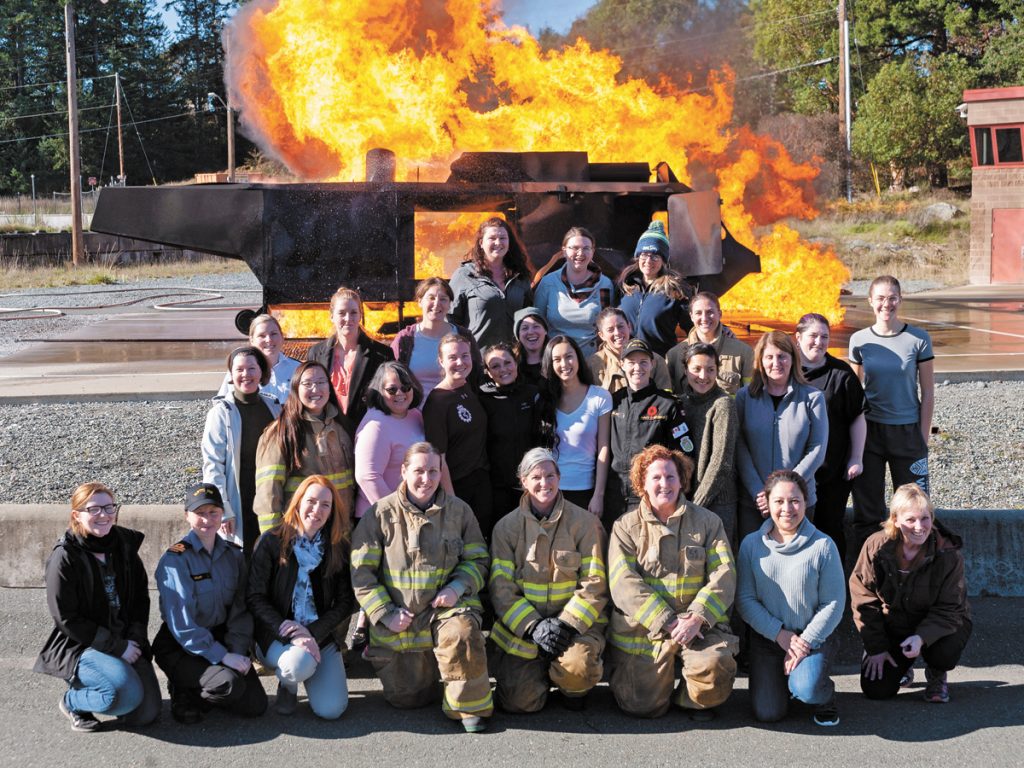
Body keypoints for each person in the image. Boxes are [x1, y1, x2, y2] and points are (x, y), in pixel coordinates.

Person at [351, 442, 492, 733]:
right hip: (400, 622)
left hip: (447, 611)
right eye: (418, 471)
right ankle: (435, 678)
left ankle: (470, 707)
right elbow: (362, 575)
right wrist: (386, 613)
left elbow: (479, 560)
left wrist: (457, 588)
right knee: (408, 698)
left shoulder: (460, 511)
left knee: (462, 632)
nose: (426, 479)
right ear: (403, 471)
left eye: (433, 471)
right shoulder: (378, 514)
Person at [607, 444, 737, 719]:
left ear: (682, 481)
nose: (664, 484)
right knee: (640, 704)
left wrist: (696, 618)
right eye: (655, 477)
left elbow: (724, 574)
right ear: (642, 483)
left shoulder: (708, 522)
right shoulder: (625, 527)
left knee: (715, 670)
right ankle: (661, 686)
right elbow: (623, 583)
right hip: (647, 629)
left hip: (697, 629)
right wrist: (667, 620)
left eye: (670, 477)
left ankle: (690, 698)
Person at [489, 448, 608, 712]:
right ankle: (539, 677)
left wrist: (566, 626)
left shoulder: (585, 523)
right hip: (526, 631)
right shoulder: (506, 528)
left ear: (559, 477)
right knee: (519, 704)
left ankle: (571, 690)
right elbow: (501, 589)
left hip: (575, 630)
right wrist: (533, 627)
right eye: (537, 477)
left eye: (551, 475)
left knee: (578, 671)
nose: (545, 483)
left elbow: (594, 583)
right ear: (524, 482)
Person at [36, 483, 161, 732]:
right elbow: (67, 618)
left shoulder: (125, 546)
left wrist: (134, 640)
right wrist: (117, 647)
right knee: (121, 695)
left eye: (109, 507)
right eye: (93, 509)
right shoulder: (65, 557)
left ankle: (111, 683)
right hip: (82, 644)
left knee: (145, 714)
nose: (103, 515)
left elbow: (139, 601)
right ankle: (73, 701)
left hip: (123, 640)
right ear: (77, 515)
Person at [736, 470, 845, 726]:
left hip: (813, 640)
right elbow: (744, 599)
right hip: (769, 639)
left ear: (805, 503)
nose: (787, 508)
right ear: (767, 503)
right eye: (779, 501)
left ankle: (823, 695)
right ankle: (786, 683)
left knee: (807, 689)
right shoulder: (751, 545)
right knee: (768, 713)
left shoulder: (823, 545)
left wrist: (803, 642)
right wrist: (780, 635)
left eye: (795, 500)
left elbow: (834, 603)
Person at [153, 483, 267, 723]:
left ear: (222, 514)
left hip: (220, 635)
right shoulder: (175, 560)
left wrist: (236, 651)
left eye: (213, 512)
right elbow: (181, 623)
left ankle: (205, 687)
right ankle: (182, 690)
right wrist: (223, 657)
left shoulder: (234, 556)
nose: (207, 520)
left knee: (256, 705)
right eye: (200, 513)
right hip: (180, 644)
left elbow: (240, 610)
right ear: (187, 516)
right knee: (229, 685)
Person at [850, 484, 971, 704]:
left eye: (925, 518)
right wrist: (875, 646)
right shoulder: (875, 546)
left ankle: (936, 672)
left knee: (944, 653)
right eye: (910, 520)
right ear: (895, 520)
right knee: (877, 689)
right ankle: (898, 663)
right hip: (894, 622)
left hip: (939, 622)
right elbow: (863, 598)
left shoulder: (948, 554)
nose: (919, 527)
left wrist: (922, 637)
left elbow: (950, 608)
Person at [246, 475, 353, 719]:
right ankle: (289, 684)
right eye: (311, 501)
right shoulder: (271, 542)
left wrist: (312, 632)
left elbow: (346, 602)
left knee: (332, 710)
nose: (317, 510)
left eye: (325, 505)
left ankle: (307, 668)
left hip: (318, 633)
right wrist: (288, 629)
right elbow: (254, 597)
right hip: (276, 634)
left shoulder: (338, 547)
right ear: (298, 502)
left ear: (332, 511)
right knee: (297, 666)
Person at [848, 276, 935, 558]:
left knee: (915, 508)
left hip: (907, 432)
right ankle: (870, 569)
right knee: (868, 508)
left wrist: (921, 439)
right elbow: (853, 394)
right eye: (881, 298)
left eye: (893, 297)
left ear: (900, 299)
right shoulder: (859, 341)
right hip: (870, 434)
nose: (887, 304)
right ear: (870, 301)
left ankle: (914, 568)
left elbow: (928, 392)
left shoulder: (919, 339)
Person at [735, 331, 828, 542]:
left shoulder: (812, 398)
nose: (776, 362)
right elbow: (740, 446)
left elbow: (817, 448)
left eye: (782, 356)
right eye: (769, 357)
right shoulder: (744, 397)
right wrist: (759, 492)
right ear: (760, 361)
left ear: (793, 359)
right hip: (755, 501)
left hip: (797, 502)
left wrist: (787, 491)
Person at [796, 313, 867, 563]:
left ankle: (835, 590)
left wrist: (856, 457)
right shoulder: (785, 372)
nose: (819, 342)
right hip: (794, 471)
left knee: (829, 530)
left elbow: (858, 416)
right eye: (813, 336)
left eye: (824, 336)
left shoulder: (841, 374)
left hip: (832, 472)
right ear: (798, 338)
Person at [254, 361, 355, 535]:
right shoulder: (281, 433)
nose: (315, 389)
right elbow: (268, 493)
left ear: (329, 387)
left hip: (339, 532)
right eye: (307, 384)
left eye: (321, 382)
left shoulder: (342, 428)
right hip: (299, 533)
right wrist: (272, 541)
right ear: (295, 388)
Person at [203, 345, 282, 558]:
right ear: (231, 374)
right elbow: (213, 466)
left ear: (261, 372)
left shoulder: (274, 408)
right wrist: (222, 508)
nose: (245, 375)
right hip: (239, 502)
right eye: (239, 369)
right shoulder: (221, 413)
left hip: (271, 500)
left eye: (251, 368)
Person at [606, 338, 692, 530]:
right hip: (614, 496)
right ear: (622, 364)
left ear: (653, 364)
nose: (637, 368)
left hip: (651, 498)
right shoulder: (612, 401)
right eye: (631, 362)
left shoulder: (668, 405)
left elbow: (683, 456)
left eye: (643, 362)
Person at [423, 333, 493, 538]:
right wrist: (452, 501)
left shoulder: (469, 388)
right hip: (459, 487)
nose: (460, 362)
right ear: (441, 361)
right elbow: (439, 458)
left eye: (465, 355)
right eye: (452, 357)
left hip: (482, 482)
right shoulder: (437, 403)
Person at [537, 334, 612, 519]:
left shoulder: (599, 397)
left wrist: (598, 496)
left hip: (586, 490)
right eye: (557, 359)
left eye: (569, 356)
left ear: (578, 357)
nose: (564, 364)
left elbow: (604, 448)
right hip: (551, 492)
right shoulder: (543, 401)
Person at [306, 285, 395, 435]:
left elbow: (389, 398)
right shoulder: (315, 353)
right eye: (342, 313)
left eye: (353, 312)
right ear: (331, 316)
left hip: (368, 433)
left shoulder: (382, 355)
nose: (348, 319)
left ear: (360, 315)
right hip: (327, 435)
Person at [677, 342, 738, 545]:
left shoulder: (723, 404)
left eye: (710, 369)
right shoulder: (680, 402)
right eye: (697, 369)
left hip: (717, 501)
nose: (703, 376)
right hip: (686, 501)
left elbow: (721, 461)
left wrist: (697, 506)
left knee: (718, 566)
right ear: (686, 370)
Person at [478, 342, 541, 520]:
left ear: (516, 363)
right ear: (488, 372)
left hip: (531, 483)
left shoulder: (533, 394)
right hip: (497, 486)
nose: (503, 369)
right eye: (495, 366)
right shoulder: (483, 399)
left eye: (507, 363)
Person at [354, 361, 426, 519]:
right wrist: (398, 513)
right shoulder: (375, 426)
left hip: (413, 513)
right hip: (382, 518)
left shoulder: (415, 415)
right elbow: (367, 477)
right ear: (379, 391)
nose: (400, 393)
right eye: (392, 390)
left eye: (406, 387)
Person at [391, 277, 482, 400]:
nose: (437, 303)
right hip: (415, 414)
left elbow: (477, 376)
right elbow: (391, 378)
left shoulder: (464, 336)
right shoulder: (405, 339)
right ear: (419, 302)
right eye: (431, 298)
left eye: (443, 299)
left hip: (458, 412)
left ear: (449, 304)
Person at [449, 217, 534, 348]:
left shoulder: (520, 276)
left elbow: (529, 316)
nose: (498, 242)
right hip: (478, 360)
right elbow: (449, 319)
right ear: (481, 243)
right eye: (492, 238)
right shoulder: (464, 275)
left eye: (503, 238)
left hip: (513, 361)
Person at [533, 227, 615, 357]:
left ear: (593, 252)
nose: (580, 253)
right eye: (574, 248)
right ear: (564, 251)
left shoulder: (605, 284)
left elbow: (609, 326)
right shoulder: (547, 283)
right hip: (557, 360)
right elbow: (536, 324)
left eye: (586, 248)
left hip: (593, 361)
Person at [617, 220, 693, 356]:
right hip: (627, 363)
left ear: (664, 261)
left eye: (655, 256)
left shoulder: (675, 290)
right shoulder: (625, 286)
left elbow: (694, 326)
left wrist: (720, 329)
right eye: (644, 254)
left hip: (659, 364)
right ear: (638, 257)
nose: (648, 260)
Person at [666, 291, 754, 395]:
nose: (704, 318)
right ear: (691, 316)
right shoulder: (674, 355)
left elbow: (750, 396)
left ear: (720, 314)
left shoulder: (743, 352)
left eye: (710, 312)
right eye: (698, 313)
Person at [217, 313, 300, 404]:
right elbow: (222, 405)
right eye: (262, 336)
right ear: (251, 340)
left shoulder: (298, 369)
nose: (269, 339)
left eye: (273, 334)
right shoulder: (240, 371)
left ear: (282, 336)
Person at [586, 306, 671, 394]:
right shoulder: (593, 364)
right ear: (601, 335)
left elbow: (666, 398)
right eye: (610, 330)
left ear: (629, 326)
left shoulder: (655, 360)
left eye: (620, 326)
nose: (617, 333)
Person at [513, 306, 548, 387]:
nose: (531, 332)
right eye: (525, 328)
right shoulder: (511, 363)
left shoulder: (557, 359)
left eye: (536, 326)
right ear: (518, 335)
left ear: (545, 330)